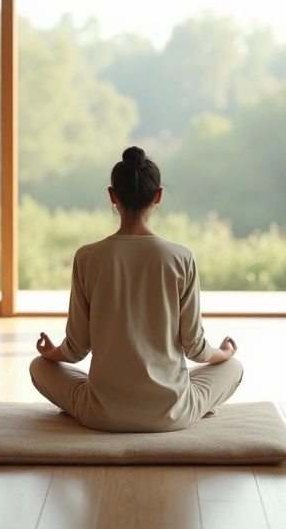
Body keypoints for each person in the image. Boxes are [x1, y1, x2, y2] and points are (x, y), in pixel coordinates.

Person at [29, 146, 243, 433]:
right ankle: (191, 401)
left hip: (101, 414)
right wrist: (224, 354)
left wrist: (51, 353)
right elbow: (196, 348)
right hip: (172, 414)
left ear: (112, 196)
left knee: (38, 367)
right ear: (158, 196)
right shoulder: (181, 258)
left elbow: (76, 348)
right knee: (234, 369)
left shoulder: (87, 257)